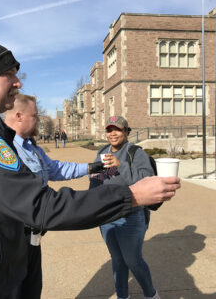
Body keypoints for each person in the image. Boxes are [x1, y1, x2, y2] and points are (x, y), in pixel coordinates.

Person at [0, 38, 180, 298]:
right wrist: (133, 195)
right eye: (9, 74)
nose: (18, 82)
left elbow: (49, 175)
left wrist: (95, 170)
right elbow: (39, 205)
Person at [4, 94, 105, 298]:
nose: (39, 120)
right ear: (19, 116)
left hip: (35, 232)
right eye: (35, 116)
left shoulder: (32, 147)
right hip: (12, 237)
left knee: (32, 288)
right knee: (14, 291)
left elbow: (54, 169)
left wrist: (91, 167)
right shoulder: (5, 148)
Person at [90, 116, 160, 299]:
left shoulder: (136, 153)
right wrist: (92, 203)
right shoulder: (102, 152)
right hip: (107, 217)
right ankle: (123, 296)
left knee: (133, 260)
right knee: (118, 260)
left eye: (118, 129)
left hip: (130, 216)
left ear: (127, 132)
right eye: (109, 129)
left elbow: (147, 183)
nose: (113, 133)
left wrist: (120, 167)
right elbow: (96, 182)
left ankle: (151, 295)